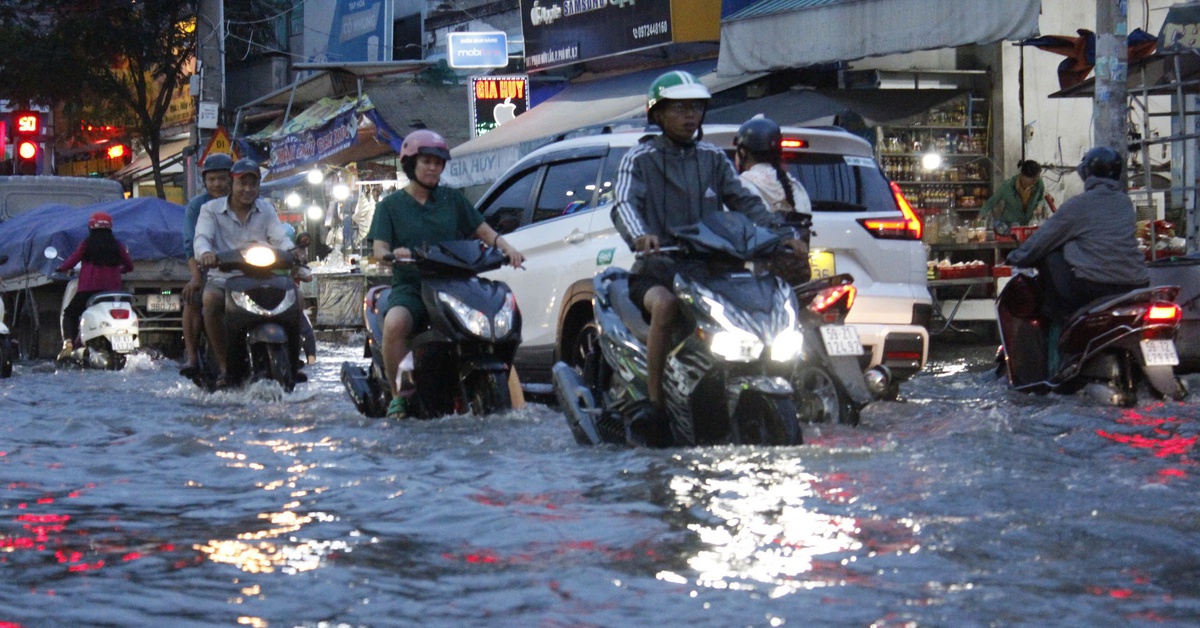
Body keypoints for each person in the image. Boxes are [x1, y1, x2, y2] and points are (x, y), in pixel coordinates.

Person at [611, 70, 806, 444]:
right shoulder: (640, 158)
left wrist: (783, 235)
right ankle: (655, 402)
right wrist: (641, 235)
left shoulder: (712, 157)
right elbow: (623, 202)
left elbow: (746, 202)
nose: (690, 116)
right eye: (681, 108)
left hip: (710, 271)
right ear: (658, 114)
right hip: (659, 269)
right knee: (666, 307)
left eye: (696, 108)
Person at [368, 129, 525, 418]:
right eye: (427, 161)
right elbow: (379, 248)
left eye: (438, 163)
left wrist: (508, 248)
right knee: (395, 324)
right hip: (413, 288)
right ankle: (398, 395)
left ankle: (513, 398)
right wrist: (394, 254)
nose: (433, 168)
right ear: (411, 164)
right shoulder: (389, 206)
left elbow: (484, 232)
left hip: (457, 286)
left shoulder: (453, 200)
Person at [1005, 146, 1148, 372]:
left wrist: (1014, 257)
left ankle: (1054, 363)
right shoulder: (1124, 203)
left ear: (1087, 173)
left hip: (1094, 287)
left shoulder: (1078, 206)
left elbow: (1042, 241)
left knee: (1051, 261)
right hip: (1135, 285)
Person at [194, 158, 295, 387]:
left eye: (253, 184)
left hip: (262, 276)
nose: (247, 189)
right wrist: (206, 253)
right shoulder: (210, 210)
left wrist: (292, 252)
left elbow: (279, 237)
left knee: (295, 297)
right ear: (232, 184)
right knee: (210, 300)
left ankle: (294, 359)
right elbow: (202, 238)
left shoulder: (266, 209)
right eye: (242, 184)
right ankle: (222, 365)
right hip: (224, 277)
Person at [733, 115, 813, 286]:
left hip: (755, 282)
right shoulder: (796, 186)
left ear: (742, 152)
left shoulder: (740, 186)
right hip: (797, 280)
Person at [179, 152, 233, 377]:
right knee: (194, 297)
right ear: (205, 182)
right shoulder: (198, 207)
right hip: (209, 267)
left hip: (246, 267)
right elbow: (191, 244)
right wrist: (196, 276)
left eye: (222, 178)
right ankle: (192, 358)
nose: (217, 184)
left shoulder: (246, 200)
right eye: (212, 179)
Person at [56, 211, 135, 360]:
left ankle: (69, 344)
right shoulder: (117, 245)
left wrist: (61, 268)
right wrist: (120, 270)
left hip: (89, 291)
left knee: (70, 313)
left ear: (91, 227)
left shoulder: (87, 244)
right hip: (112, 292)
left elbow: (72, 261)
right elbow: (129, 266)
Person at [980, 159, 1055, 230]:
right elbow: (991, 203)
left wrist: (1040, 206)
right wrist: (979, 219)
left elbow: (1041, 198)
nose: (1036, 180)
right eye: (1034, 179)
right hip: (1009, 227)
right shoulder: (1008, 186)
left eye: (1037, 178)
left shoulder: (1039, 183)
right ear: (1024, 176)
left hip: (1027, 226)